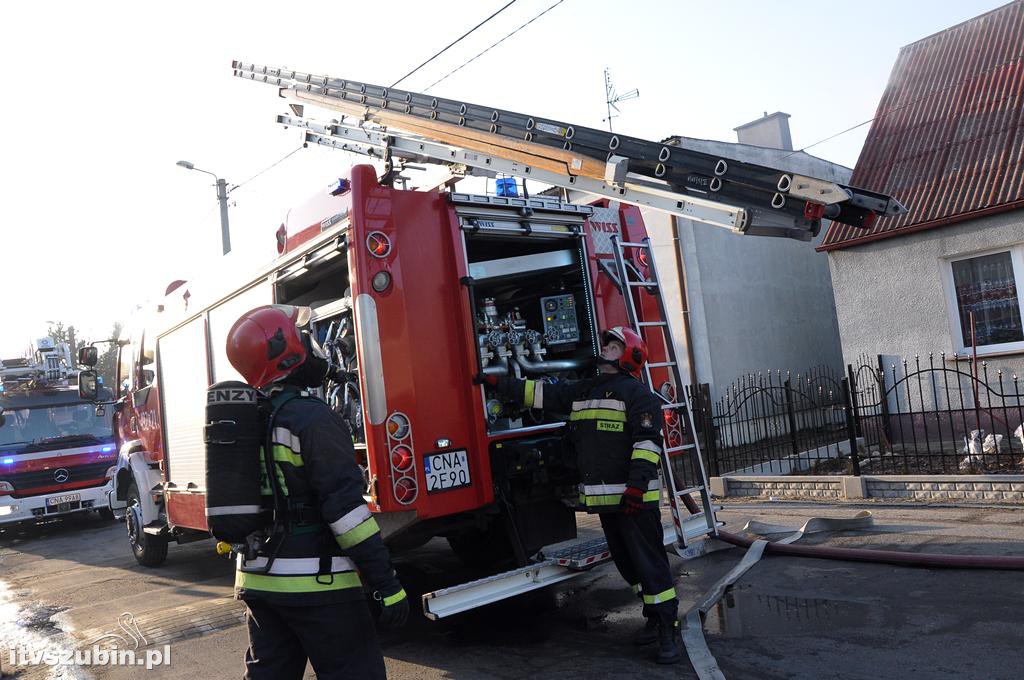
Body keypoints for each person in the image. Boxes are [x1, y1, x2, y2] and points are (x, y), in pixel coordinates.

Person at [480, 326, 683, 664]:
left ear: (629, 356)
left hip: (634, 502)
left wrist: (636, 487)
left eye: (614, 346)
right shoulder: (586, 389)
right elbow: (543, 394)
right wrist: (499, 384)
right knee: (630, 566)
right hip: (607, 503)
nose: (605, 348)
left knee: (651, 567)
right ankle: (652, 618)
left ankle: (668, 629)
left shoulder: (638, 396)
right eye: (607, 344)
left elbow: (647, 444)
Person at [226, 304, 408, 680]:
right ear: (288, 352)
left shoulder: (244, 421)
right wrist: (386, 583)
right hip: (318, 585)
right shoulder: (312, 418)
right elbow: (347, 516)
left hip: (258, 581)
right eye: (303, 338)